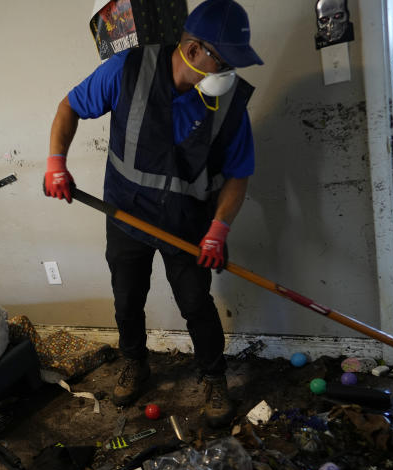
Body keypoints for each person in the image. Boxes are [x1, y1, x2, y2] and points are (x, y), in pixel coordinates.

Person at [43, 0, 263, 427]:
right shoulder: (126, 70)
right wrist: (56, 162)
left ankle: (213, 378)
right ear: (195, 49)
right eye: (225, 61)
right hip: (127, 214)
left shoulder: (231, 103)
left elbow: (238, 174)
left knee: (196, 303)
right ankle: (135, 363)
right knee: (127, 299)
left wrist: (218, 230)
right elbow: (68, 107)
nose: (231, 73)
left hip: (189, 225)